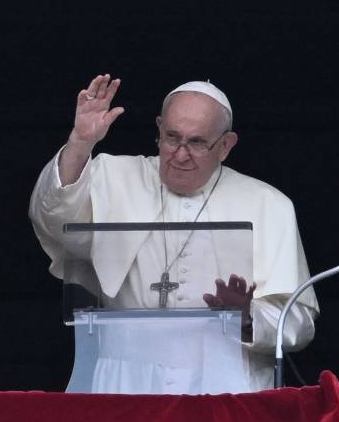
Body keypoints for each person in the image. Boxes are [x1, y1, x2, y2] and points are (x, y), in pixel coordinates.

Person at [29, 74, 318, 394]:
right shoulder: (112, 176)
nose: (180, 154)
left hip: (224, 383)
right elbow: (51, 218)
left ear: (225, 145)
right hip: (124, 382)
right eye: (171, 137)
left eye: (196, 142)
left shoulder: (269, 204)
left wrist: (247, 318)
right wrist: (80, 143)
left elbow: (298, 323)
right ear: (158, 129)